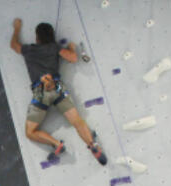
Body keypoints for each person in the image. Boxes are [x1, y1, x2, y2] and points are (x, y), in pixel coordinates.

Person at [10, 19, 107, 166]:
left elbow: (14, 45)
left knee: (30, 132)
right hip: (58, 88)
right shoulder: (54, 48)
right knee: (77, 121)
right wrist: (71, 47)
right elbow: (73, 58)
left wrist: (16, 28)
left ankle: (56, 144)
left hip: (40, 93)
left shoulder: (29, 50)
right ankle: (93, 145)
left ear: (37, 37)